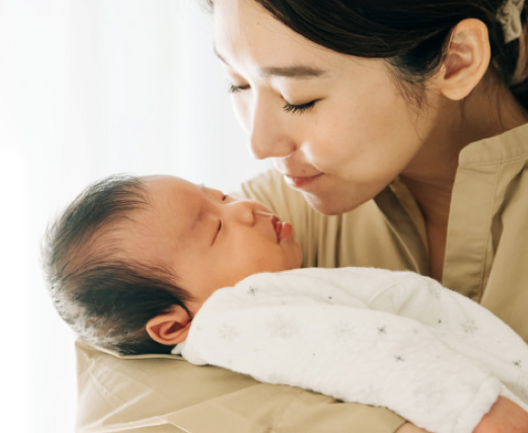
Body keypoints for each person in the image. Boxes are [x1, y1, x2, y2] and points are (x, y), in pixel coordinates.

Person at [72, 0, 528, 432]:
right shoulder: (278, 216)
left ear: (456, 60)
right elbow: (117, 384)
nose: (260, 144)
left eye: (299, 97)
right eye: (239, 84)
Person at [43, 173, 528, 433]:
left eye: (221, 196)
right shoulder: (236, 318)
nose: (245, 209)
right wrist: (476, 411)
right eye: (215, 229)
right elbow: (377, 352)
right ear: (173, 327)